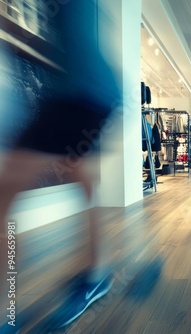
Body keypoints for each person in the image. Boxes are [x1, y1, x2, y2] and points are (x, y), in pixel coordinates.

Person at [0, 1, 120, 329]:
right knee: (84, 182)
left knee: (5, 191)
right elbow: (65, 40)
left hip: (79, 95)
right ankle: (97, 273)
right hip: (95, 91)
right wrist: (17, 33)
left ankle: (6, 308)